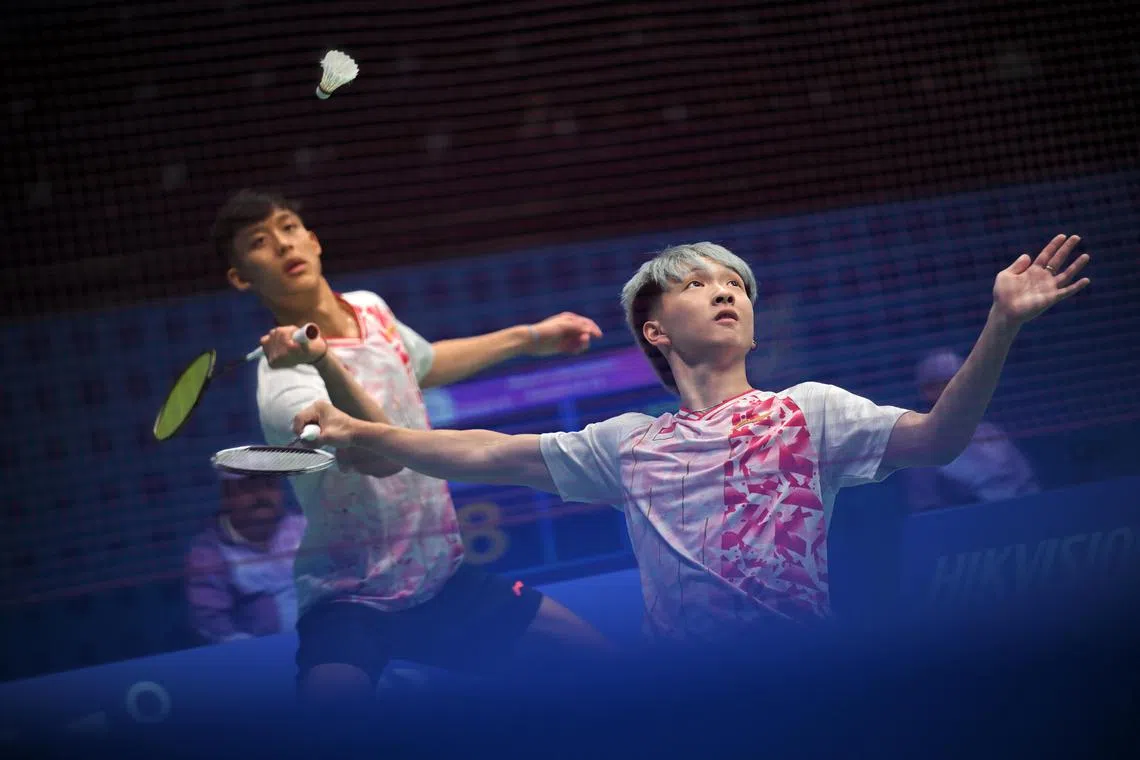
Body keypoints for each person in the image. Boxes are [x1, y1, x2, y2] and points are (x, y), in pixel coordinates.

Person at [291, 236, 1091, 647]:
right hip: (695, 686)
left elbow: (938, 440)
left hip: (808, 668)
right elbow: (487, 451)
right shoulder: (630, 444)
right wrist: (366, 429)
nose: (727, 295)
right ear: (654, 327)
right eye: (701, 284)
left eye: (737, 287)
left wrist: (1000, 324)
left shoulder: (809, 411)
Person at [211, 189, 614, 714]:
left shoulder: (370, 309)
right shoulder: (283, 379)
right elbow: (381, 456)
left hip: (441, 577)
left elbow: (420, 361)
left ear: (313, 240)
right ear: (242, 276)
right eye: (259, 243)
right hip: (352, 596)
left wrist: (530, 337)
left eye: (288, 228)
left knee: (609, 664)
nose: (283, 244)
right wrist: (325, 360)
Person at [906, 349, 1040, 511]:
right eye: (947, 383)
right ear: (926, 392)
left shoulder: (992, 432)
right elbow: (927, 509)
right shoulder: (920, 449)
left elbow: (1028, 484)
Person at [185, 474, 306, 644]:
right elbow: (211, 622)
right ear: (227, 497)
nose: (261, 496)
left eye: (269, 485)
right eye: (249, 488)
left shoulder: (303, 526)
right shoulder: (209, 550)